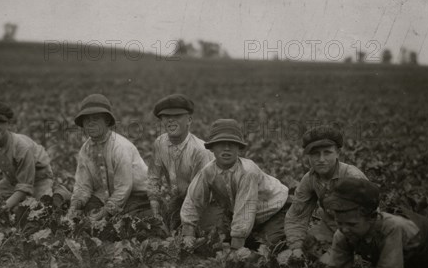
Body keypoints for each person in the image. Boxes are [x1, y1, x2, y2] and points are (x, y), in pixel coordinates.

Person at [180, 119, 289, 250]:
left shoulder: (248, 172)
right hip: (245, 214)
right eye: (221, 144)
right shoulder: (208, 171)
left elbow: (245, 209)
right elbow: (193, 200)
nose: (226, 149)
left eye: (232, 144)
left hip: (274, 209)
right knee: (211, 237)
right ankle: (248, 236)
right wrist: (187, 234)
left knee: (266, 247)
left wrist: (235, 250)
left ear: (239, 148)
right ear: (212, 148)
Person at [285, 125, 367, 254]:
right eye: (315, 154)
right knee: (307, 245)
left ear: (337, 153)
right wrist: (296, 248)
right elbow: (296, 216)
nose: (321, 160)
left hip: (358, 232)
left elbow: (369, 220)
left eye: (327, 153)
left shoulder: (352, 177)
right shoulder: (309, 179)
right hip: (330, 227)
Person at [68, 94, 150, 220]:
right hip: (106, 194)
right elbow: (83, 186)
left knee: (128, 218)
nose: (90, 123)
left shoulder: (120, 147)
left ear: (106, 121)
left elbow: (124, 187)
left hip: (138, 194)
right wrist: (74, 208)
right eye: (86, 120)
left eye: (95, 118)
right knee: (85, 213)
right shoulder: (85, 150)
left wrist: (105, 212)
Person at [147, 94, 214, 229]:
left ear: (189, 120)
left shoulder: (200, 151)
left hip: (205, 204)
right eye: (166, 117)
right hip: (178, 199)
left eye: (177, 116)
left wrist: (181, 220)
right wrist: (155, 210)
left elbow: (200, 195)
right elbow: (153, 178)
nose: (171, 121)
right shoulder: (159, 143)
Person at [0, 102, 54, 210]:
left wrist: (3, 208)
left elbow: (24, 187)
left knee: (40, 209)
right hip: (12, 181)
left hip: (39, 179)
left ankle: (60, 193)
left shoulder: (21, 147)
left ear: (8, 124)